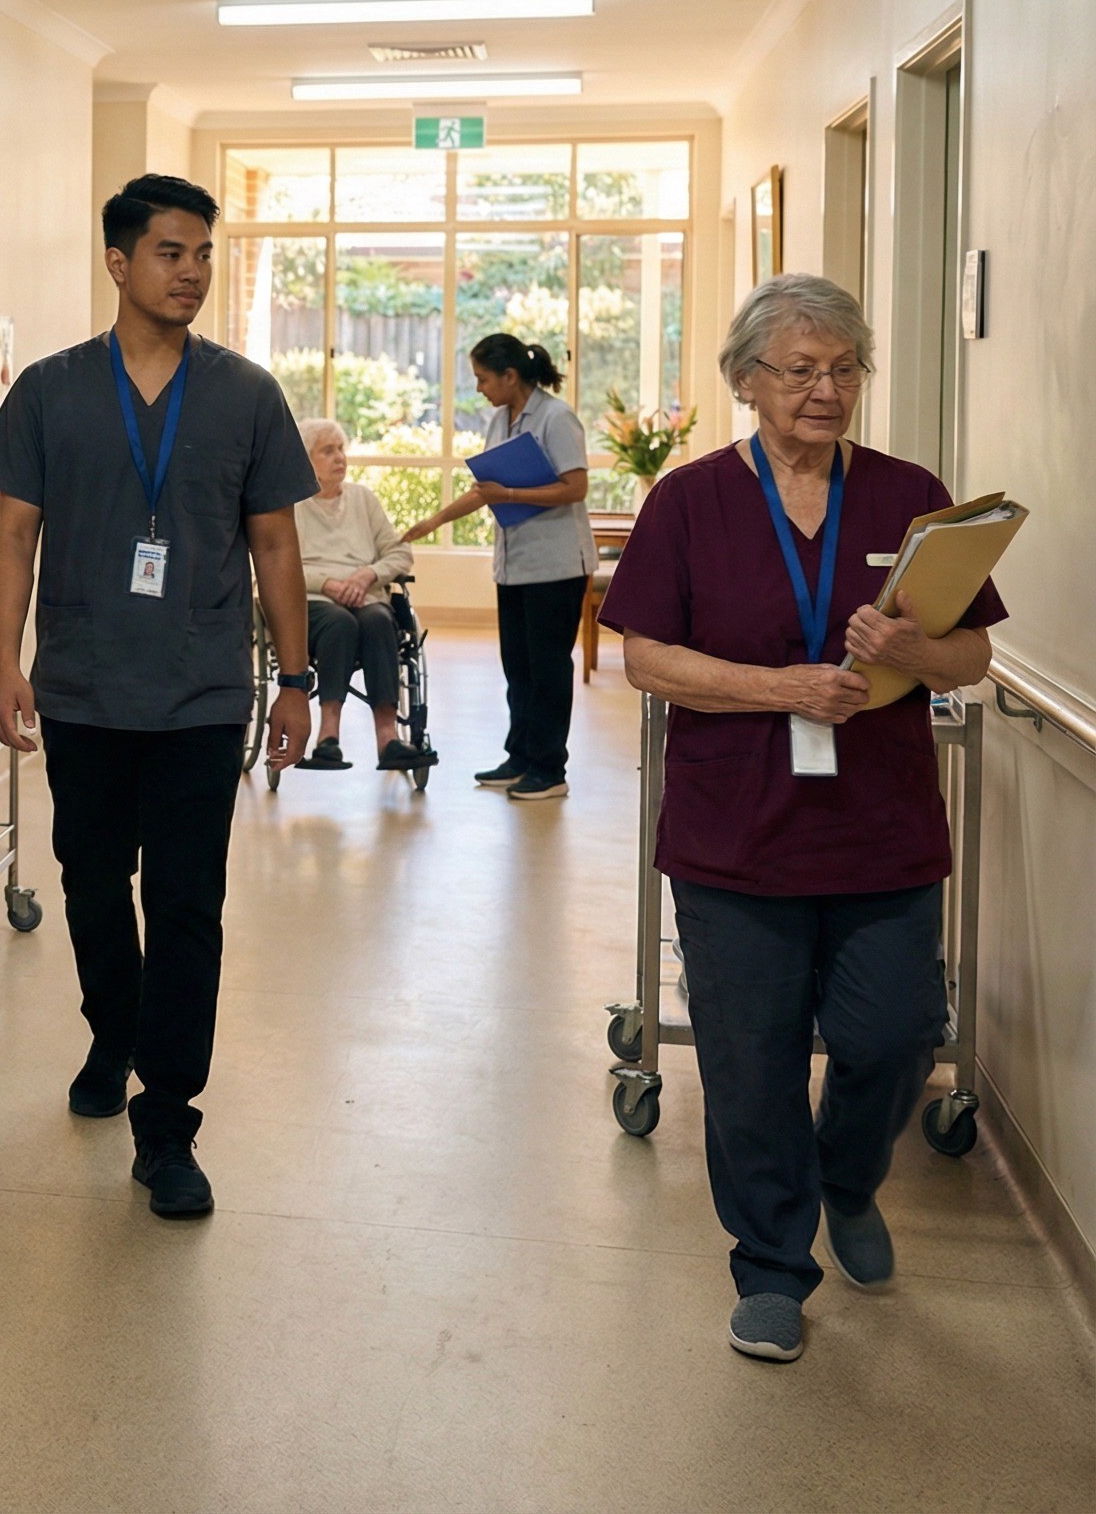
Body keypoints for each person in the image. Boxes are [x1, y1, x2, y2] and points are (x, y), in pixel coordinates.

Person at [600, 273, 1004, 1364]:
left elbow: (973, 649)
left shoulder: (912, 498)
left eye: (845, 368)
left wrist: (913, 653)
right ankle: (773, 1262)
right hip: (738, 829)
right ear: (745, 381)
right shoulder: (688, 501)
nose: (827, 390)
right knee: (749, 1054)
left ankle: (848, 1179)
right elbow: (642, 654)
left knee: (892, 1032)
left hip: (881, 826)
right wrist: (784, 688)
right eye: (801, 370)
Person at [0, 173, 315, 1219]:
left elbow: (276, 542)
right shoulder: (49, 388)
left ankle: (167, 1118)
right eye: (172, 252)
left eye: (205, 253)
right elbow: (13, 533)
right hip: (80, 686)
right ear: (119, 262)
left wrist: (294, 678)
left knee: (186, 901)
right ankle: (110, 1030)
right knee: (89, 878)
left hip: (204, 693)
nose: (193, 272)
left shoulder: (247, 394)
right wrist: (3, 663)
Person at [402, 333, 594, 800]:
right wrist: (435, 520)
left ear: (511, 376)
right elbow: (485, 488)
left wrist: (511, 496)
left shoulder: (555, 418)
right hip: (514, 566)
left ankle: (550, 770)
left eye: (484, 379)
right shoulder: (500, 421)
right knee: (519, 669)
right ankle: (521, 756)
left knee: (548, 671)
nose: (480, 389)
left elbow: (576, 487)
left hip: (556, 565)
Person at [290, 416, 429, 772]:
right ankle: (328, 736)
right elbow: (282, 565)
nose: (340, 458)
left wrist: (368, 574)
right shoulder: (293, 506)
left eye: (341, 449)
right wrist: (328, 584)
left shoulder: (363, 499)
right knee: (339, 624)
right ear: (307, 460)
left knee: (380, 621)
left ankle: (388, 737)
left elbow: (399, 552)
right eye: (328, 451)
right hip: (315, 601)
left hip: (367, 597)